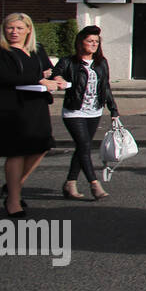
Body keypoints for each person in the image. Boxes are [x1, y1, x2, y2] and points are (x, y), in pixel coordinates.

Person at [0, 13, 66, 217]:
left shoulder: (36, 49)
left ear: (29, 29)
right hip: (10, 106)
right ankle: (13, 200)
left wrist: (57, 77)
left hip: (36, 105)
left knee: (42, 146)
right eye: (10, 28)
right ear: (4, 29)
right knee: (16, 152)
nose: (14, 32)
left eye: (19, 28)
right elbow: (6, 77)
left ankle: (14, 185)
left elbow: (49, 68)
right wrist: (40, 79)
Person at [53, 25, 118, 200]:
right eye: (90, 41)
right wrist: (58, 79)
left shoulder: (101, 62)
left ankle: (70, 183)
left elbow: (106, 86)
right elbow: (56, 75)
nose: (94, 44)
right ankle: (94, 184)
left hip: (94, 111)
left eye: (96, 41)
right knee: (85, 147)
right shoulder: (68, 62)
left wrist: (113, 109)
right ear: (80, 42)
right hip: (74, 111)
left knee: (82, 148)